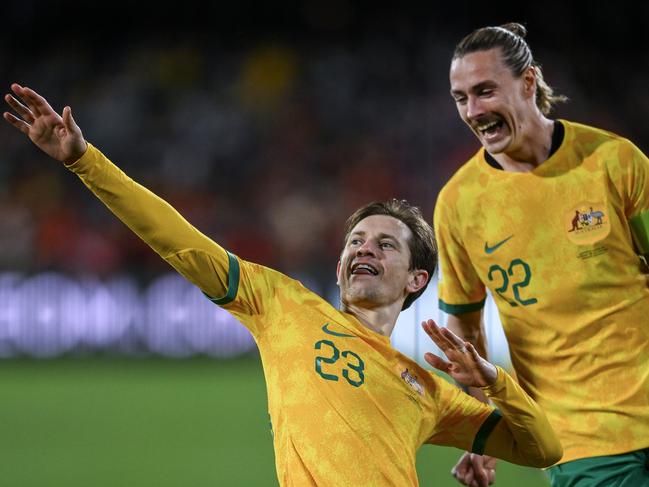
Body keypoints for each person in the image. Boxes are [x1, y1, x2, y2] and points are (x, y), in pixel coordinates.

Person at [4, 83, 561, 487]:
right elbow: (176, 238)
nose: (363, 248)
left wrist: (494, 382)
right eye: (356, 241)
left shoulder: (430, 391)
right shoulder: (282, 304)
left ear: (417, 278)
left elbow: (544, 449)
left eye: (385, 243)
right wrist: (84, 161)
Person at [435, 22, 649, 487]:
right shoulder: (460, 204)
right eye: (461, 98)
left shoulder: (614, 161)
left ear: (529, 82)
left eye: (485, 91)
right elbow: (465, 328)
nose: (473, 110)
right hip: (584, 442)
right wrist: (480, 429)